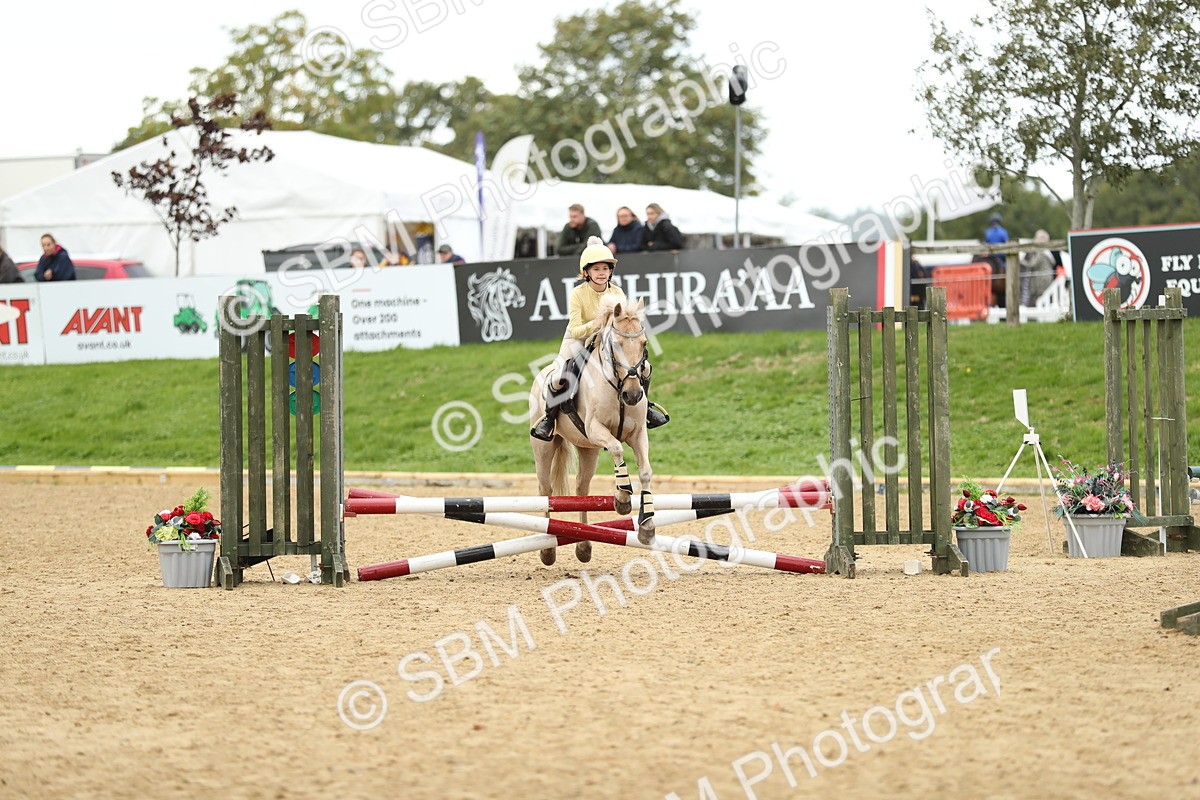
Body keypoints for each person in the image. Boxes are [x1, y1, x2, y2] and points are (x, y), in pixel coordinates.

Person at [530, 236, 670, 441]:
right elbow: (576, 328)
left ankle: (645, 407)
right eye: (596, 269)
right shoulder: (578, 294)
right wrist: (595, 325)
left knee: (645, 367)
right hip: (578, 339)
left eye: (605, 268)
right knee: (559, 375)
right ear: (586, 272)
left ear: (610, 271)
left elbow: (622, 322)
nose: (602, 273)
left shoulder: (617, 291)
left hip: (607, 341)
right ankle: (549, 419)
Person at [1019, 229, 1056, 306]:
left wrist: (1020, 261)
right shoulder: (1049, 253)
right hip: (1047, 279)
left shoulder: (1041, 252)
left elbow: (1032, 264)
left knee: (1038, 299)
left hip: (1040, 281)